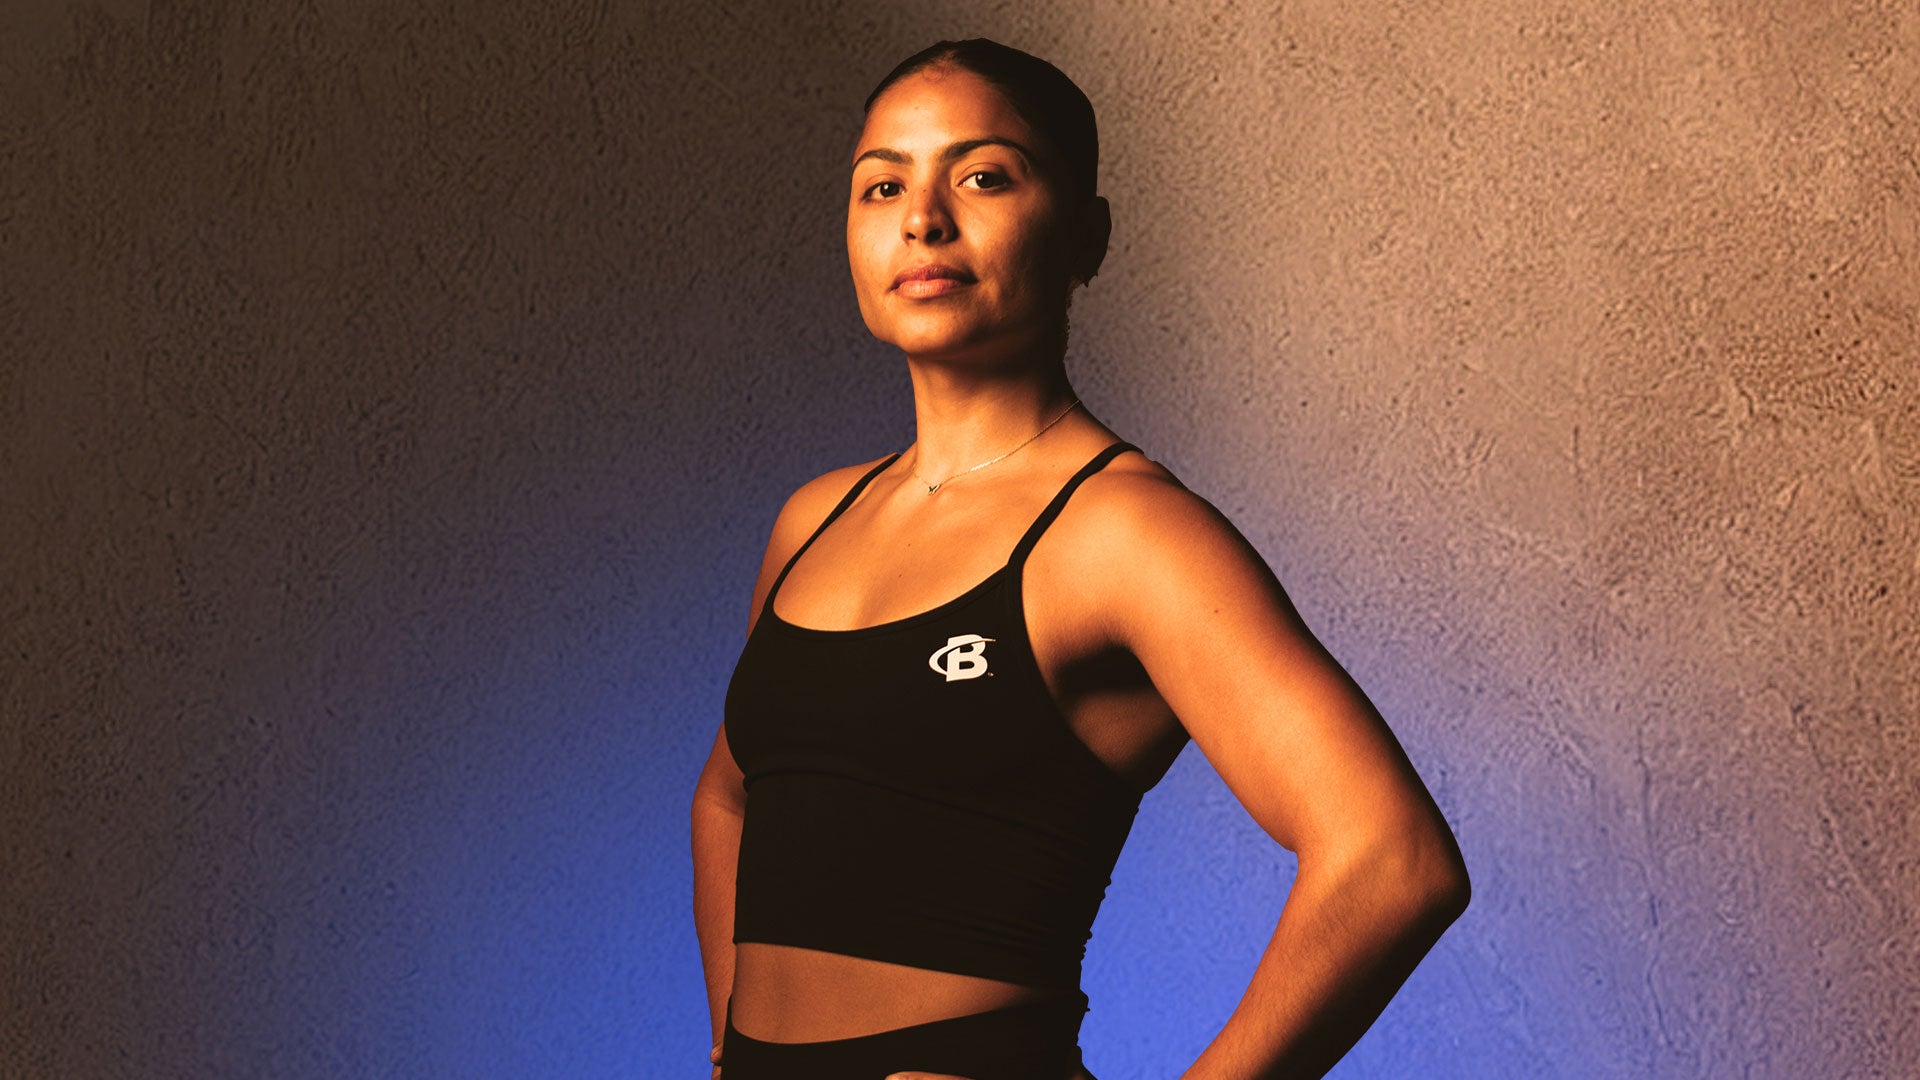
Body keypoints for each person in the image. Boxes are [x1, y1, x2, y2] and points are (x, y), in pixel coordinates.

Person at [689, 38, 1470, 1080]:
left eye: (983, 175)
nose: (923, 218)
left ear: (1086, 236)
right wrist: (724, 1048)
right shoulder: (816, 517)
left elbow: (1393, 859)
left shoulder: (1123, 533)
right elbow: (732, 794)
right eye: (883, 185)